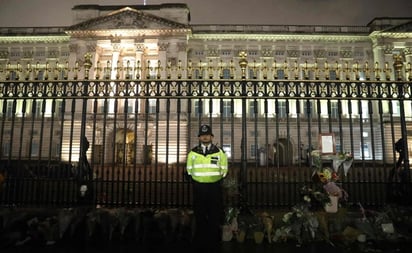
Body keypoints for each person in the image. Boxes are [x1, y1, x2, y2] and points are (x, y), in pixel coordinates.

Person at [186, 124, 228, 253]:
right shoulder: (193, 152)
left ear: (211, 136)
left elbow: (224, 168)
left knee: (214, 214)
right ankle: (200, 239)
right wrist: (193, 180)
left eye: (207, 135)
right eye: (202, 135)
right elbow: (189, 169)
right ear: (199, 137)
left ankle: (214, 240)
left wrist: (219, 179)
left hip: (214, 187)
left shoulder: (219, 152)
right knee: (200, 214)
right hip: (199, 187)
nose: (205, 137)